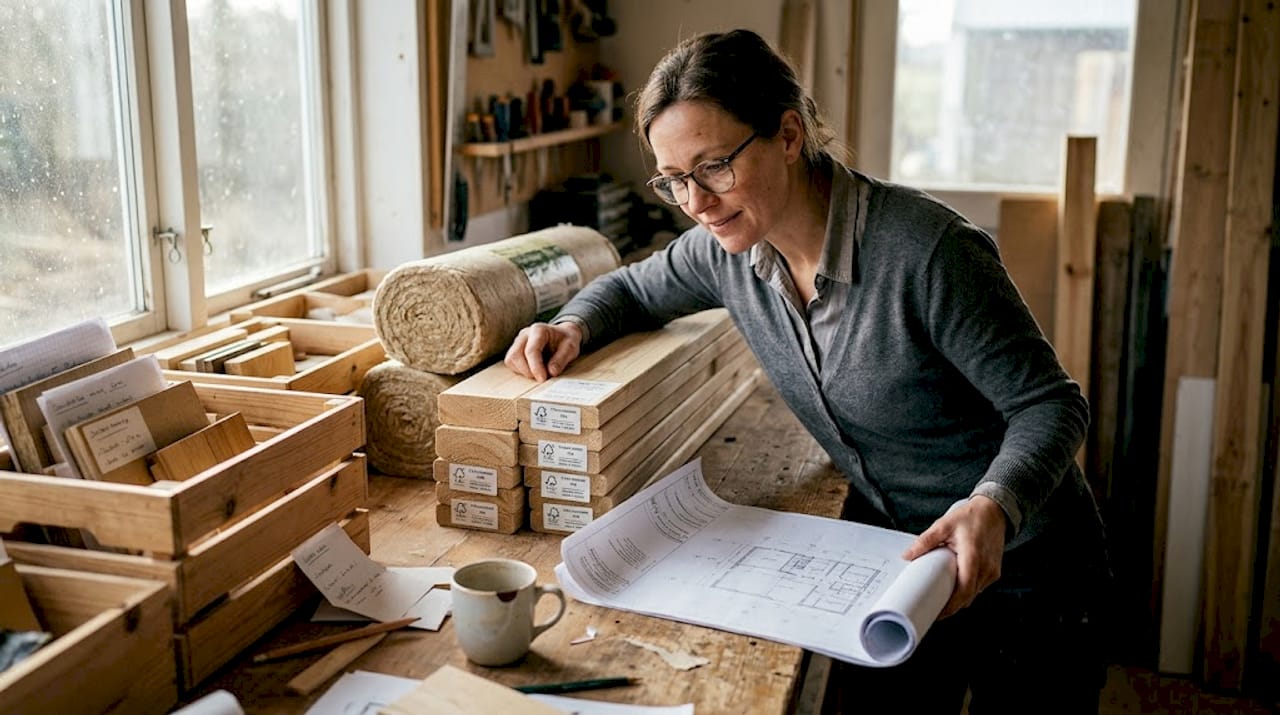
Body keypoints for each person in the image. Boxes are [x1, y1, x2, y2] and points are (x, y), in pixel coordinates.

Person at [505, 29, 1110, 713]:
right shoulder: (726, 251)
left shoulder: (929, 253)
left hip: (1030, 566)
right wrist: (570, 325)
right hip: (904, 564)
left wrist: (993, 503)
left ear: (789, 135)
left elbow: (1051, 405)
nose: (697, 202)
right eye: (675, 180)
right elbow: (631, 290)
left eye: (713, 167)